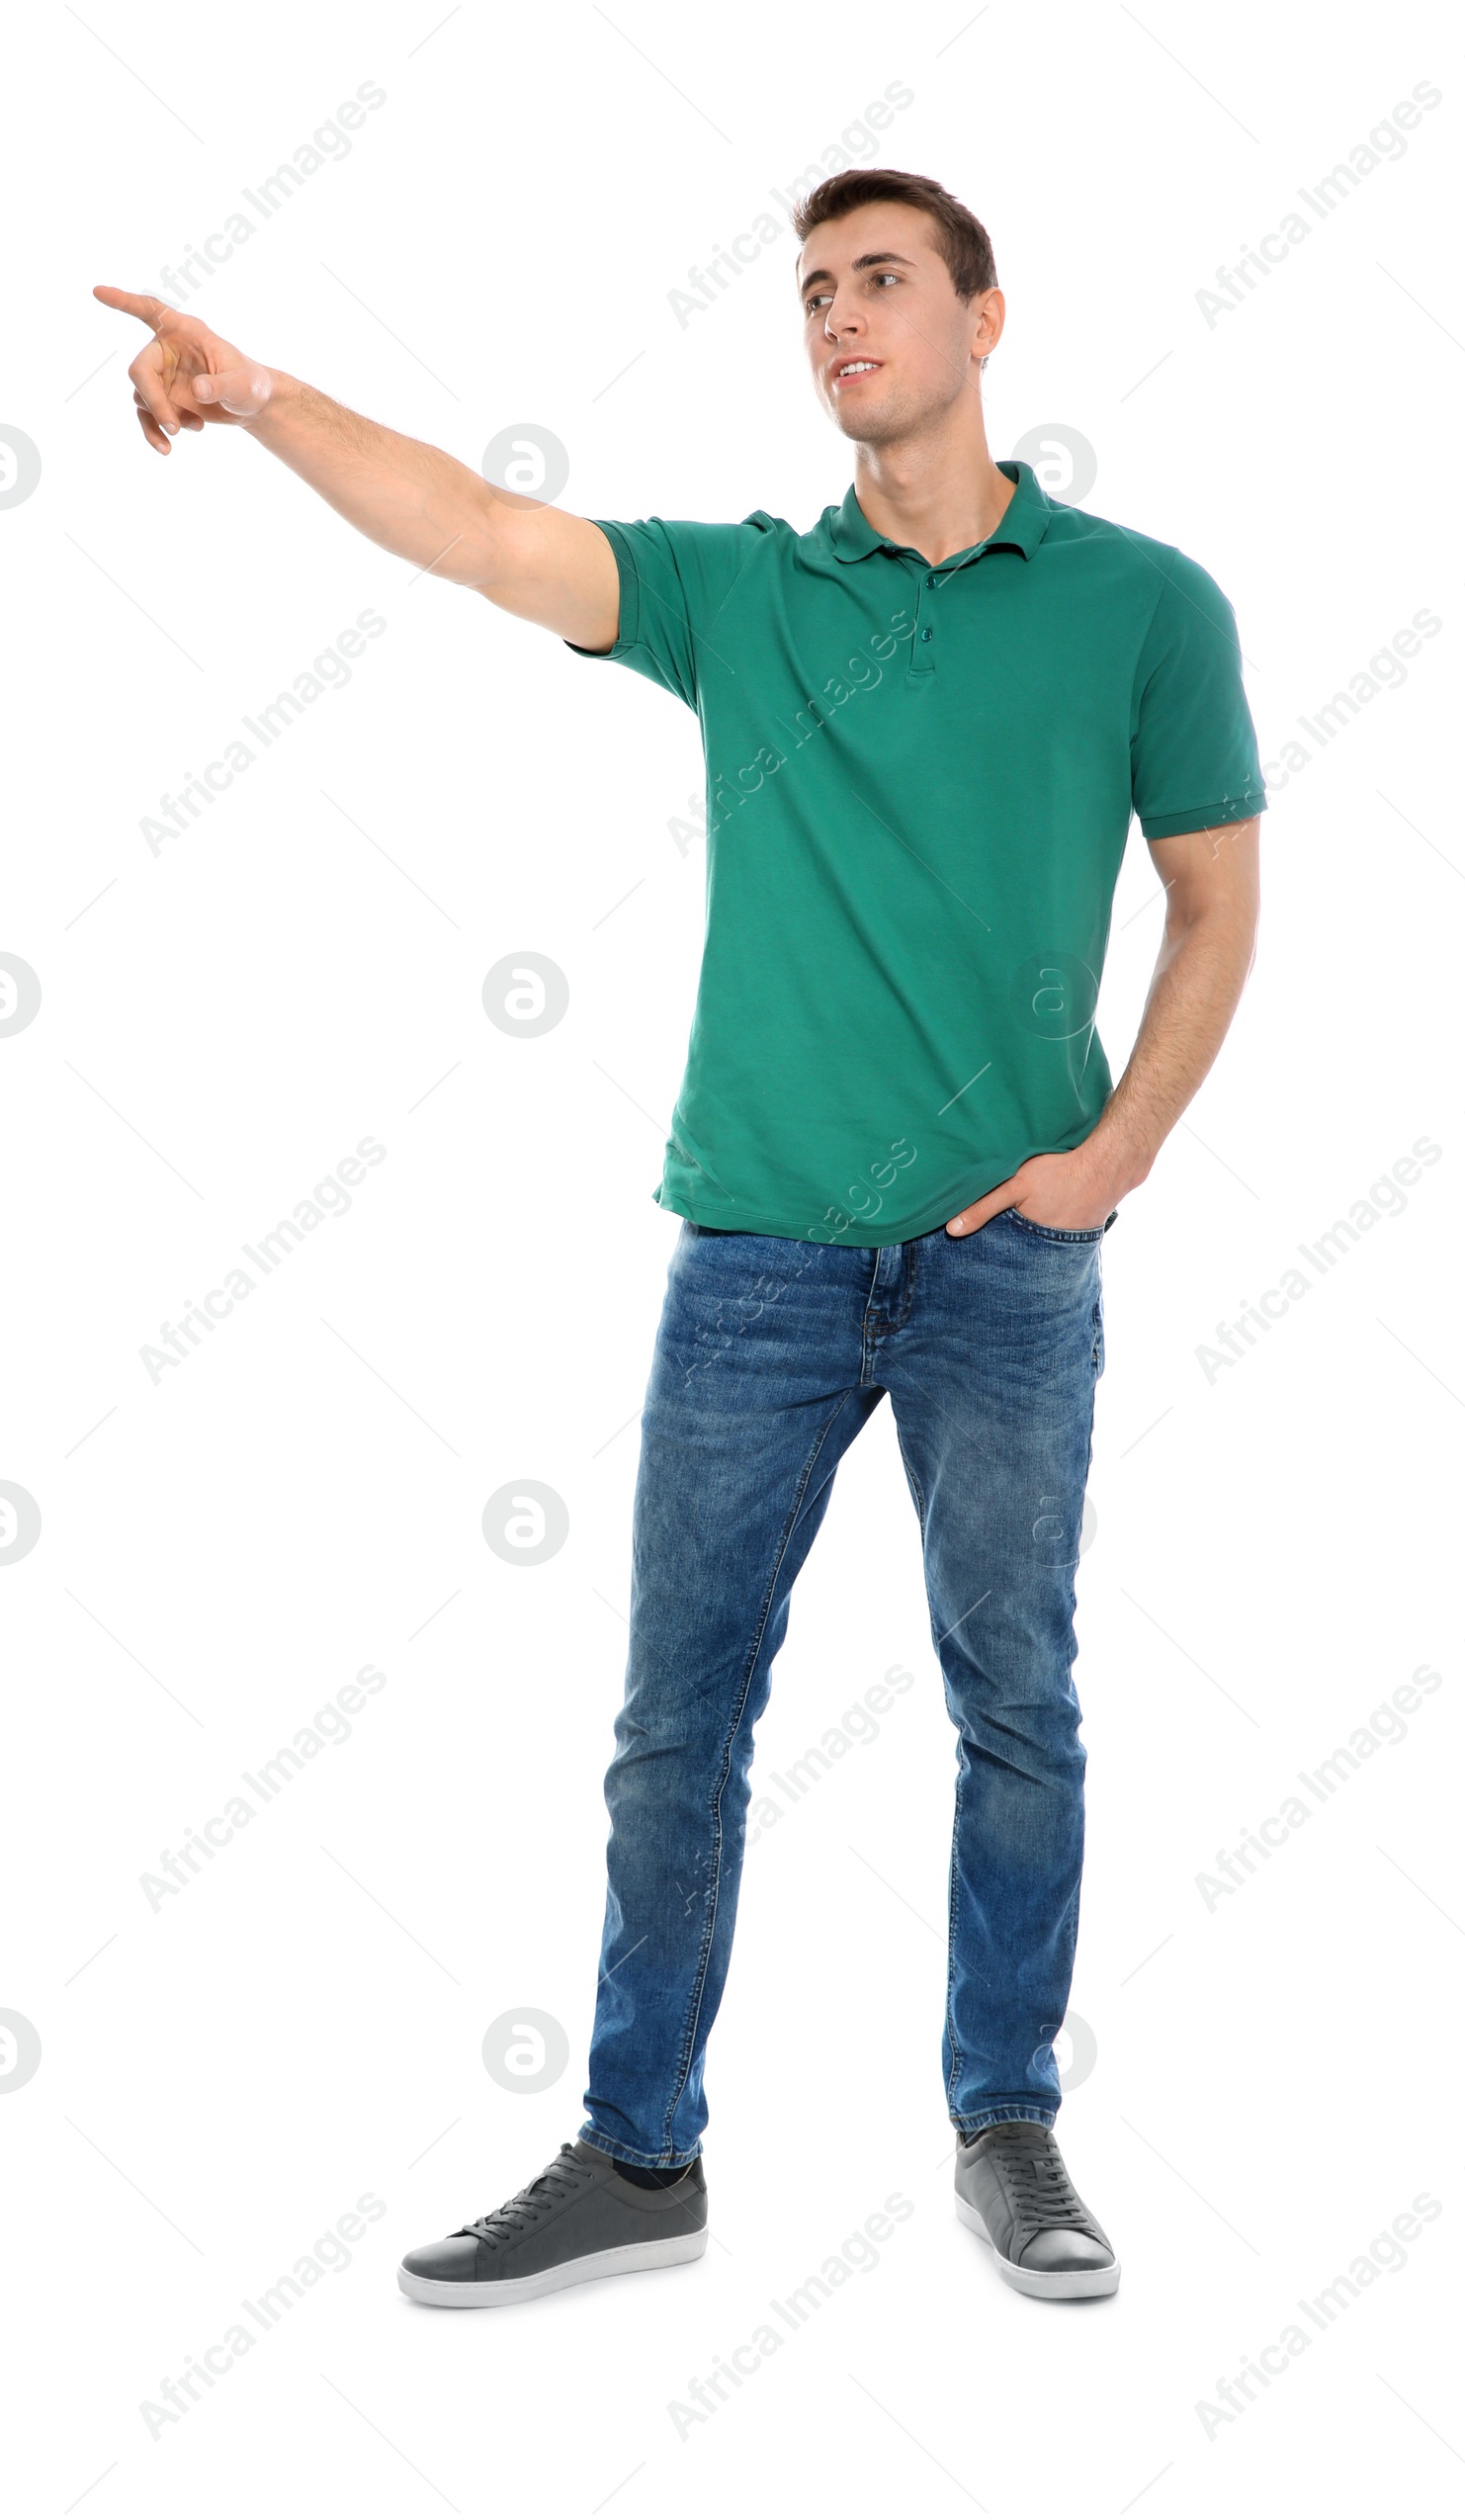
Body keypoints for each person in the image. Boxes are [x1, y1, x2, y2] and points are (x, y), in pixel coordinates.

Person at [98, 165, 1263, 2309]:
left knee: (1018, 1703)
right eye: (814, 291)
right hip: (754, 1261)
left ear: (984, 323)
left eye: (883, 282)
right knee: (674, 1721)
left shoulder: (1140, 605)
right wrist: (257, 394)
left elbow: (1213, 895)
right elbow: (469, 525)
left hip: (1011, 1261)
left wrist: (1119, 1152)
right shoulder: (743, 597)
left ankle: (1004, 2123)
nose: (840, 318)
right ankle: (641, 2156)